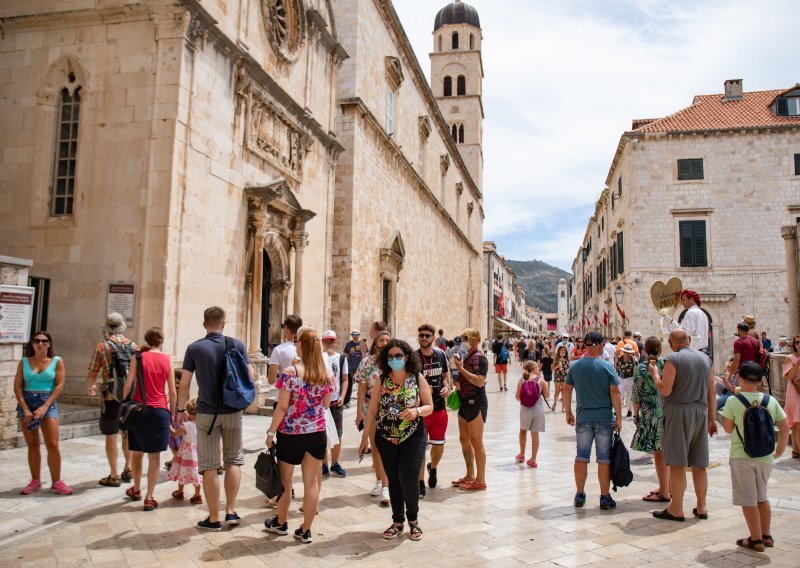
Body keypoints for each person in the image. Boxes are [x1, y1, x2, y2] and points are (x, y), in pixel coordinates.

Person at [178, 306, 253, 531]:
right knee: (233, 460)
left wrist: (181, 409)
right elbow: (249, 376)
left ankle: (213, 518)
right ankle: (230, 511)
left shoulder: (194, 348)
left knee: (209, 465)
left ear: (204, 325)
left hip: (207, 413)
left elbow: (184, 385)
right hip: (233, 412)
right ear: (224, 323)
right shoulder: (236, 344)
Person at [358, 339, 433, 541]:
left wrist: (416, 411)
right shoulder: (382, 380)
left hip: (413, 435)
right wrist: (364, 438)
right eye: (390, 356)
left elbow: (429, 406)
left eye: (398, 356)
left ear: (407, 357)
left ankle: (414, 521)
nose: (394, 359)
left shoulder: (417, 378)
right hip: (385, 436)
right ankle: (397, 521)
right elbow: (372, 410)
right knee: (393, 480)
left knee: (408, 478)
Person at [264, 326, 332, 544]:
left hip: (291, 433)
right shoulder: (325, 375)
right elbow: (327, 403)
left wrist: (271, 431)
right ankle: (305, 529)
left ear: (301, 345)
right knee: (311, 483)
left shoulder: (290, 375)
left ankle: (281, 522)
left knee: (285, 481)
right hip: (316, 432)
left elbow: (282, 407)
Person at [720, 361, 789, 552]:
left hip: (741, 455)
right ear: (760, 381)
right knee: (762, 497)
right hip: (766, 457)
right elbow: (784, 428)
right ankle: (766, 535)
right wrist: (780, 451)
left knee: (747, 499)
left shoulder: (734, 401)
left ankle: (756, 540)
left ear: (740, 378)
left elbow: (727, 428)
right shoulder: (770, 401)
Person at [650, 329, 716, 522]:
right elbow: (711, 392)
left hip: (677, 413)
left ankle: (677, 509)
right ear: (689, 340)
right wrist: (712, 419)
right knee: (699, 463)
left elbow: (666, 389)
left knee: (677, 463)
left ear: (671, 343)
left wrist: (655, 375)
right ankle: (702, 506)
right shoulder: (705, 359)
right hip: (699, 413)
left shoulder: (673, 359)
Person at [564, 332, 622, 510]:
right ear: (598, 345)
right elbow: (615, 393)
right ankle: (604, 497)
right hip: (604, 417)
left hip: (583, 417)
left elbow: (567, 389)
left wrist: (568, 411)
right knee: (604, 459)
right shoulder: (607, 367)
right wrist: (619, 416)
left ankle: (580, 494)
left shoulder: (575, 366)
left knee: (581, 456)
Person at [122, 327, 176, 511]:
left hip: (139, 409)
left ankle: (136, 489)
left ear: (146, 339)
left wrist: (123, 404)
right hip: (160, 411)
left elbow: (128, 383)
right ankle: (149, 496)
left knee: (137, 452)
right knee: (155, 456)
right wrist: (172, 413)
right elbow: (172, 390)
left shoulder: (138, 357)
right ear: (161, 341)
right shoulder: (167, 359)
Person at [15, 331, 72, 495]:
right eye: (36, 341)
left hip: (47, 402)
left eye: (44, 341)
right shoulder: (24, 361)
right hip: (28, 401)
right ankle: (35, 480)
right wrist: (25, 408)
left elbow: (59, 385)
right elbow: (17, 386)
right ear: (32, 344)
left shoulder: (56, 361)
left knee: (52, 444)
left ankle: (57, 481)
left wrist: (45, 406)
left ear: (49, 344)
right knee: (32, 444)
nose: (40, 344)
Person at [86, 313, 137, 487]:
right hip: (130, 396)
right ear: (123, 327)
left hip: (110, 396)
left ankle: (114, 475)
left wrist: (91, 386)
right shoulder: (133, 346)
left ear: (107, 328)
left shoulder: (102, 347)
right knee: (127, 432)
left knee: (110, 435)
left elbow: (93, 371)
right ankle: (128, 467)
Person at [354, 330, 391, 504]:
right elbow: (361, 389)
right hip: (370, 408)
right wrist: (358, 413)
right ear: (376, 343)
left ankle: (386, 485)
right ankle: (379, 480)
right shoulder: (366, 363)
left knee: (386, 446)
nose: (384, 342)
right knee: (375, 446)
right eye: (381, 340)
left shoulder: (393, 362)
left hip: (389, 408)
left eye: (387, 340)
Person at [631, 336, 670, 503]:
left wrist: (635, 415)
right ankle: (665, 487)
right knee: (666, 451)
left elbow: (636, 394)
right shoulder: (667, 365)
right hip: (666, 410)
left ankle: (664, 492)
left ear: (644, 350)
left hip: (650, 412)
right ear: (660, 350)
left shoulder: (641, 368)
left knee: (658, 453)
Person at [451, 328, 489, 491]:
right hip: (464, 402)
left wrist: (461, 369)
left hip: (476, 402)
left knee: (476, 441)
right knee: (464, 439)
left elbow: (479, 381)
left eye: (465, 338)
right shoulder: (465, 356)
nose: (462, 340)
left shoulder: (480, 358)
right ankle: (470, 475)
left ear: (474, 340)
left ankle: (480, 480)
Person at [415, 324, 451, 496]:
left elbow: (445, 375)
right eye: (421, 335)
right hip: (421, 410)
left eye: (427, 335)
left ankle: (433, 467)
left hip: (438, 408)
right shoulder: (413, 358)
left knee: (438, 445)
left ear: (433, 338)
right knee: (421, 447)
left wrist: (447, 387)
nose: (423, 338)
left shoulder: (441, 354)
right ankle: (420, 482)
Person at [321, 330, 348, 478]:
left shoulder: (342, 358)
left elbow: (345, 379)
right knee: (323, 434)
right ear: (322, 342)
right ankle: (324, 464)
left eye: (332, 341)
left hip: (336, 401)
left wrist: (343, 396)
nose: (330, 344)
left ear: (336, 342)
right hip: (322, 402)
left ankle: (335, 463)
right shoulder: (319, 358)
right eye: (327, 341)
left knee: (337, 433)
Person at [168, 398, 203, 504]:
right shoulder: (202, 425)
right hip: (198, 452)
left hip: (186, 454)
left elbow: (174, 434)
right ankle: (197, 495)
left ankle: (180, 491)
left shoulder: (186, 425)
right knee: (196, 472)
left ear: (188, 412)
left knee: (181, 470)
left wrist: (168, 425)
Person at [515, 361, 549, 468]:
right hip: (538, 409)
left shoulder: (522, 380)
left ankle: (522, 454)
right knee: (535, 433)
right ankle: (533, 459)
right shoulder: (541, 380)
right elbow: (547, 396)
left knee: (523, 430)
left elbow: (517, 397)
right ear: (534, 368)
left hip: (525, 409)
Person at [268, 315, 302, 385]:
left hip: (284, 391)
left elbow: (271, 380)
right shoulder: (307, 348)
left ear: (286, 328)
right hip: (303, 392)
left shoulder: (278, 350)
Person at [782, 335, 800, 459]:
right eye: (797, 342)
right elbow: (788, 377)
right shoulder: (790, 358)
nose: (799, 344)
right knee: (797, 422)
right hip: (795, 391)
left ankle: (795, 450)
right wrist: (797, 364)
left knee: (796, 424)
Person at [165, 368, 184, 471]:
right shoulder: (186, 391)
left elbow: (166, 401)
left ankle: (181, 461)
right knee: (180, 445)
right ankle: (173, 462)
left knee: (173, 445)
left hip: (174, 422)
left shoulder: (174, 392)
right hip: (181, 423)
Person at [615, 345, 637, 418]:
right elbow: (617, 367)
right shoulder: (619, 358)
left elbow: (635, 369)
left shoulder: (633, 359)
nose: (627, 354)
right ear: (624, 352)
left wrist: (635, 380)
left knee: (629, 395)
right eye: (626, 352)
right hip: (620, 377)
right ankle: (618, 410)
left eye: (628, 352)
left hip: (629, 378)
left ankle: (629, 411)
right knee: (620, 394)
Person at [343, 330, 362, 406]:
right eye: (354, 335)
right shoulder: (348, 344)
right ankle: (348, 400)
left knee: (360, 382)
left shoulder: (362, 344)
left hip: (360, 366)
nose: (355, 337)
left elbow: (366, 353)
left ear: (359, 336)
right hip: (350, 366)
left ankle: (360, 398)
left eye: (357, 335)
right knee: (350, 383)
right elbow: (345, 353)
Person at [552, 345, 570, 413]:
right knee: (557, 391)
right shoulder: (556, 359)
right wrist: (557, 366)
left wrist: (567, 370)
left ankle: (563, 407)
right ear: (559, 351)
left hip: (565, 376)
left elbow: (569, 368)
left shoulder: (567, 359)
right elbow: (552, 369)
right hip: (557, 376)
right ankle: (554, 404)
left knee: (564, 391)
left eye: (564, 350)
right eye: (562, 350)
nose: (563, 351)